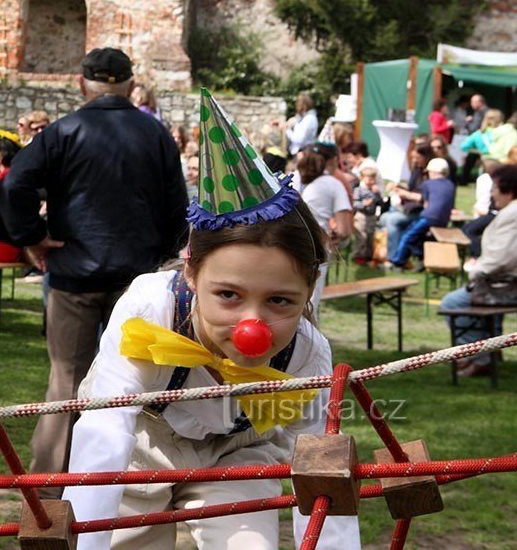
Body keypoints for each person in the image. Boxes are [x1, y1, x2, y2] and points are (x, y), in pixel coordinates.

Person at [64, 100, 360, 550]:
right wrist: (86, 540)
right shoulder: (151, 309)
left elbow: (318, 467)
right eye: (229, 295)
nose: (252, 325)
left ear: (310, 288)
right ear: (191, 273)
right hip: (141, 446)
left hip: (239, 453)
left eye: (280, 300)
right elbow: (106, 429)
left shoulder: (307, 355)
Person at [0, 48, 188, 475]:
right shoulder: (155, 134)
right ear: (130, 85)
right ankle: (139, 480)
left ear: (81, 83)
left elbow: (15, 186)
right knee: (144, 383)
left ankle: (50, 485)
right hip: (140, 278)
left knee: (66, 380)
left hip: (76, 273)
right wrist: (169, 256)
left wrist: (33, 238)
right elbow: (179, 207)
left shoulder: (63, 131)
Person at [440, 164, 517, 381]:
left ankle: (480, 359)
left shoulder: (516, 213)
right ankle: (485, 352)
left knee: (451, 302)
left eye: (494, 188)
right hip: (516, 281)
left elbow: (499, 259)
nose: (492, 194)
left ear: (507, 189)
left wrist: (473, 271)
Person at [387, 157, 455, 269]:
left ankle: (398, 261)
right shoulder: (451, 185)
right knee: (419, 237)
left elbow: (424, 202)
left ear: (432, 172)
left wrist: (402, 192)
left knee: (407, 236)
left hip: (429, 217)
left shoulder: (428, 183)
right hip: (444, 220)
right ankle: (421, 258)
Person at [294, 148, 352, 259]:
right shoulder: (334, 184)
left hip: (289, 240)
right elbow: (344, 230)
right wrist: (338, 238)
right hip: (318, 244)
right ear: (334, 160)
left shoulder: (292, 177)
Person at [350, 163, 385, 264]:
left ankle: (369, 255)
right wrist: (364, 204)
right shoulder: (359, 190)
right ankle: (358, 255)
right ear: (362, 178)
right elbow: (355, 203)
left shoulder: (374, 190)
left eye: (373, 180)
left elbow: (380, 202)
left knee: (370, 235)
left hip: (372, 216)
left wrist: (378, 194)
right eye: (369, 179)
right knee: (361, 236)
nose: (371, 182)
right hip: (362, 215)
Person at [283, 93, 318, 157]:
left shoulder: (309, 119)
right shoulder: (305, 118)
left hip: (302, 154)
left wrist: (286, 130)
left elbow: (299, 140)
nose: (297, 107)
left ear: (303, 106)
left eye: (298, 105)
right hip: (301, 152)